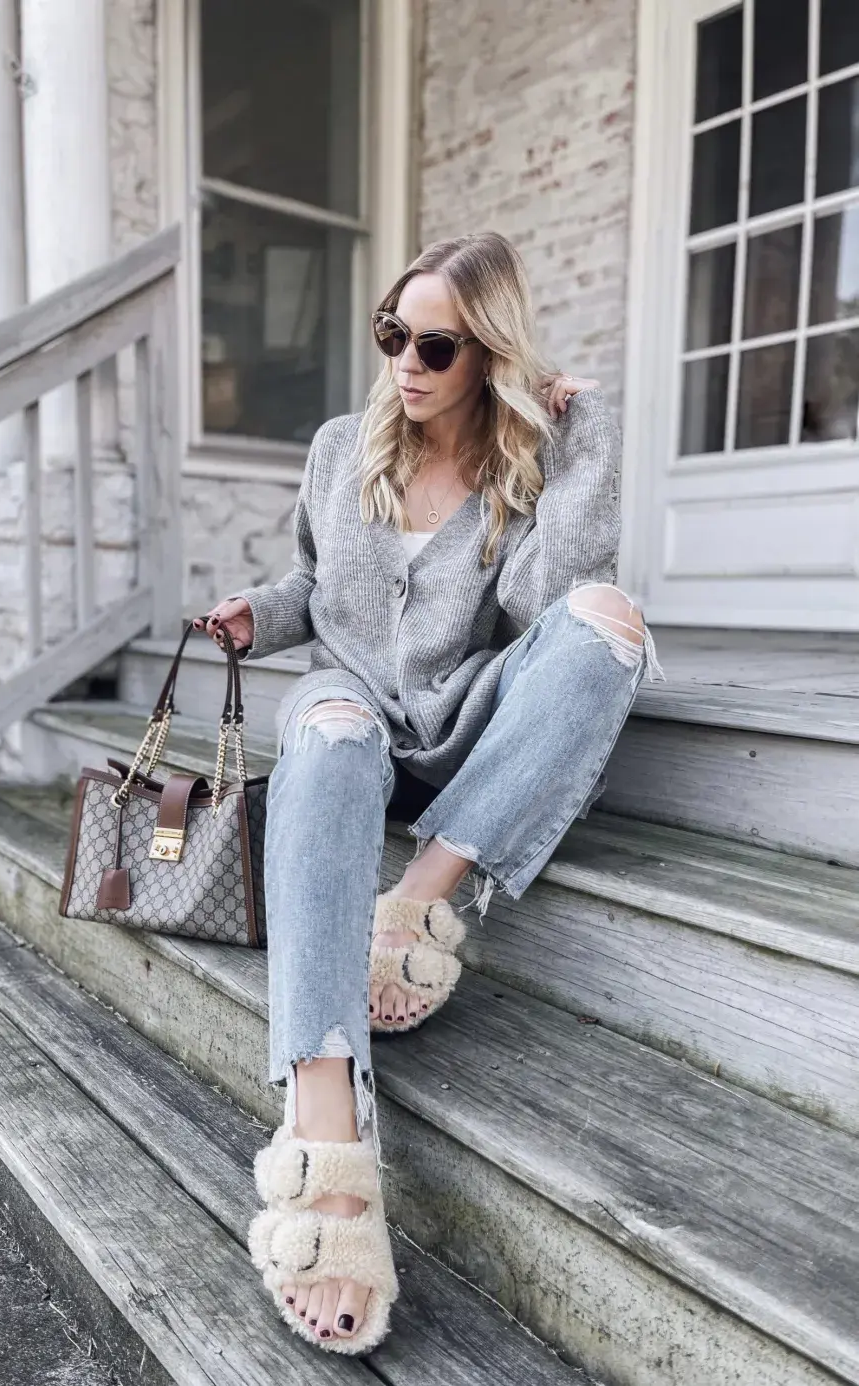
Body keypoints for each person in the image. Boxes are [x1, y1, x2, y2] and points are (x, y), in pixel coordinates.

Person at [194, 230, 662, 1356]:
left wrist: (585, 435)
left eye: (437, 345)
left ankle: (420, 903)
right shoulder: (339, 448)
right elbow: (313, 580)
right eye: (393, 334)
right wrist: (262, 613)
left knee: (613, 624)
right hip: (347, 709)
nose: (406, 362)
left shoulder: (529, 458)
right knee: (335, 737)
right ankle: (326, 1141)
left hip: (466, 723)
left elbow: (564, 592)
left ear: (488, 351)